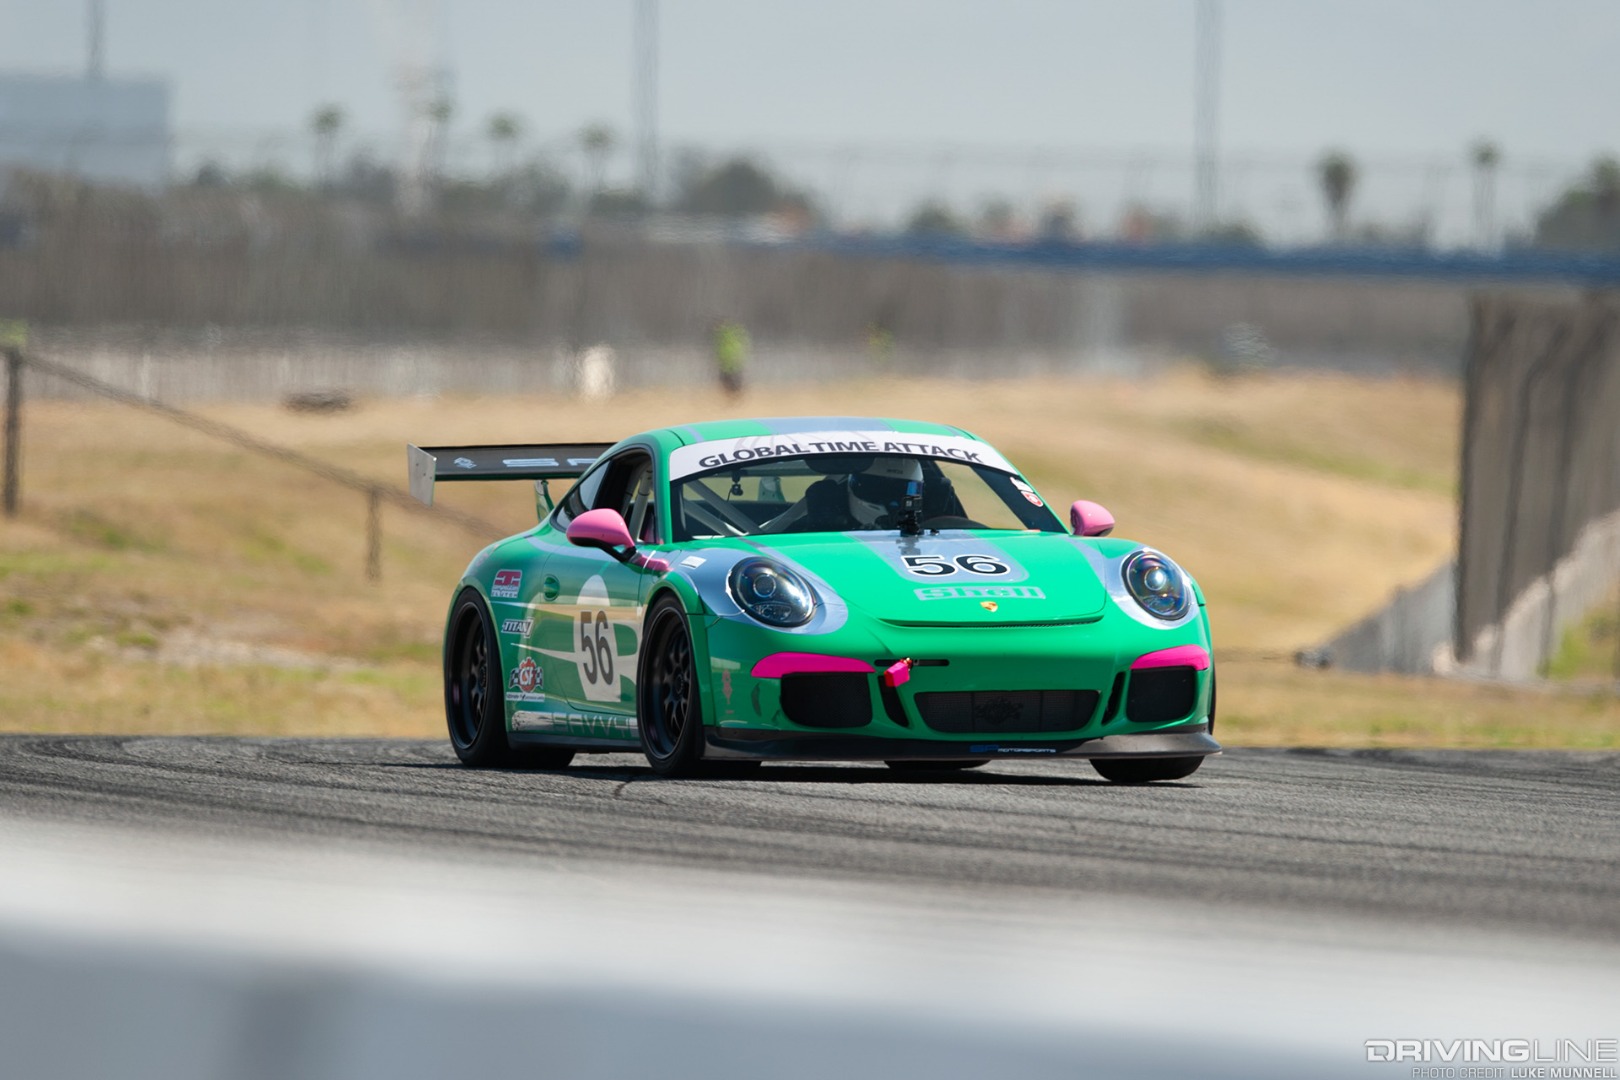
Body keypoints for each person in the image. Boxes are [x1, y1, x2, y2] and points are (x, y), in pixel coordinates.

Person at [712, 319, 750, 397]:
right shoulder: (734, 335)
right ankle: (734, 393)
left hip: (728, 361)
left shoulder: (724, 335)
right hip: (731, 361)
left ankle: (733, 393)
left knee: (728, 379)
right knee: (731, 378)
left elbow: (722, 349)